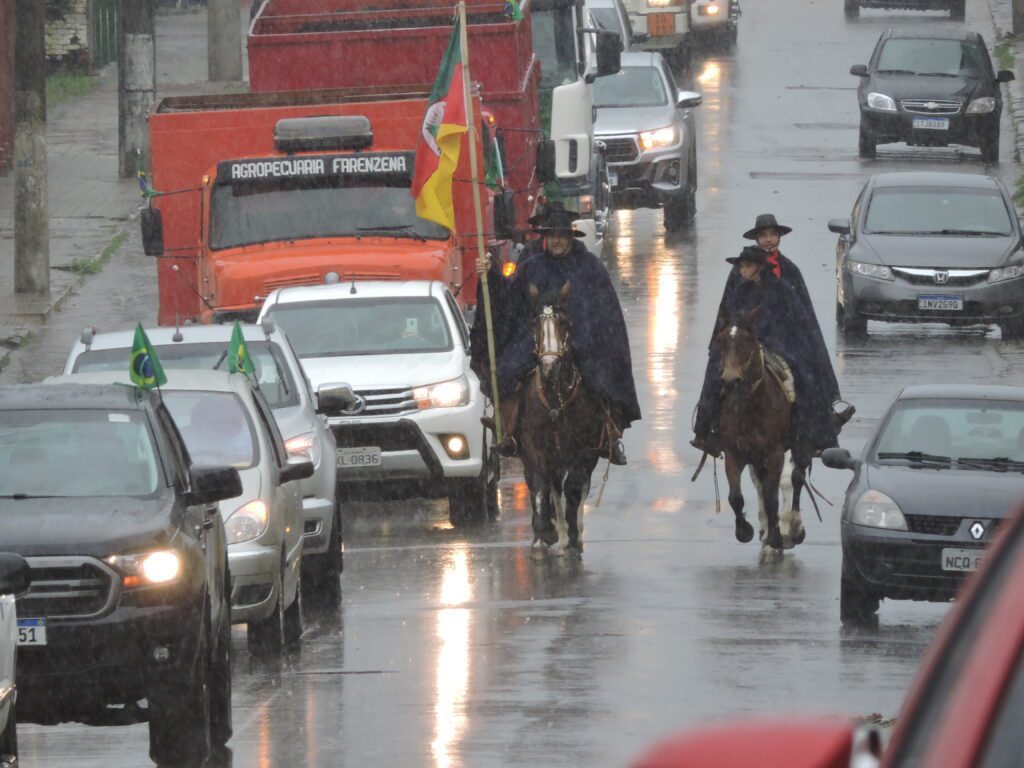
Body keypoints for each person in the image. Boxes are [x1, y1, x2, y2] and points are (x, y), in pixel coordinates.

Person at [472, 204, 640, 465]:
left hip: (581, 339)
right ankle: (508, 430)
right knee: (507, 371)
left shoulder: (591, 267)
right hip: (535, 340)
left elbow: (606, 313)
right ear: (545, 238)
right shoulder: (531, 267)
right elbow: (509, 299)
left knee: (601, 377)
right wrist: (491, 276)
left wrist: (589, 339)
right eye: (552, 236)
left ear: (570, 237)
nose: (557, 241)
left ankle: (608, 434)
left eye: (562, 235)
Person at [692, 246, 838, 457]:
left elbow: (798, 318)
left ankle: (810, 434)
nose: (742, 271)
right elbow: (727, 317)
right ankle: (706, 430)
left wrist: (776, 337)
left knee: (804, 374)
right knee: (715, 370)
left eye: (747, 266)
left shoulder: (781, 288)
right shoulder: (738, 289)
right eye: (741, 266)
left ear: (759, 267)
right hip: (743, 343)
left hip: (779, 342)